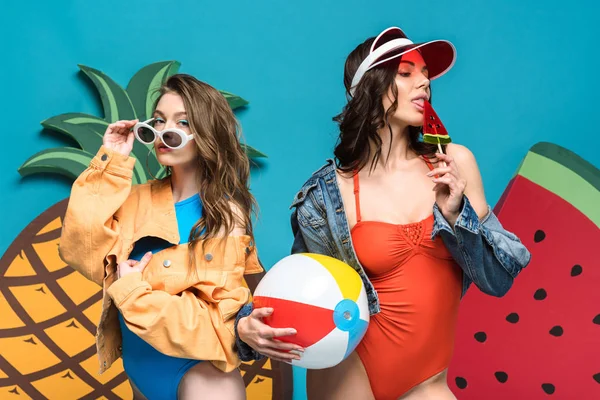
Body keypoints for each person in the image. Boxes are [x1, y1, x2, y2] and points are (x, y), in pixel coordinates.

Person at [235, 27, 531, 399]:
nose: (423, 82)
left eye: (425, 74)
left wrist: (457, 213)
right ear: (369, 88)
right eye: (406, 73)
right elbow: (300, 287)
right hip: (349, 375)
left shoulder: (454, 164)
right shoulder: (331, 194)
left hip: (428, 382)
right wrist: (246, 327)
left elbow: (498, 280)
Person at [59, 74, 263, 400]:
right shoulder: (134, 199)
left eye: (182, 122)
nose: (165, 132)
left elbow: (215, 321)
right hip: (140, 374)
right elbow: (78, 246)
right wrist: (112, 160)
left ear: (206, 133)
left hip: (201, 377)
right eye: (159, 120)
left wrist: (132, 292)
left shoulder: (225, 217)